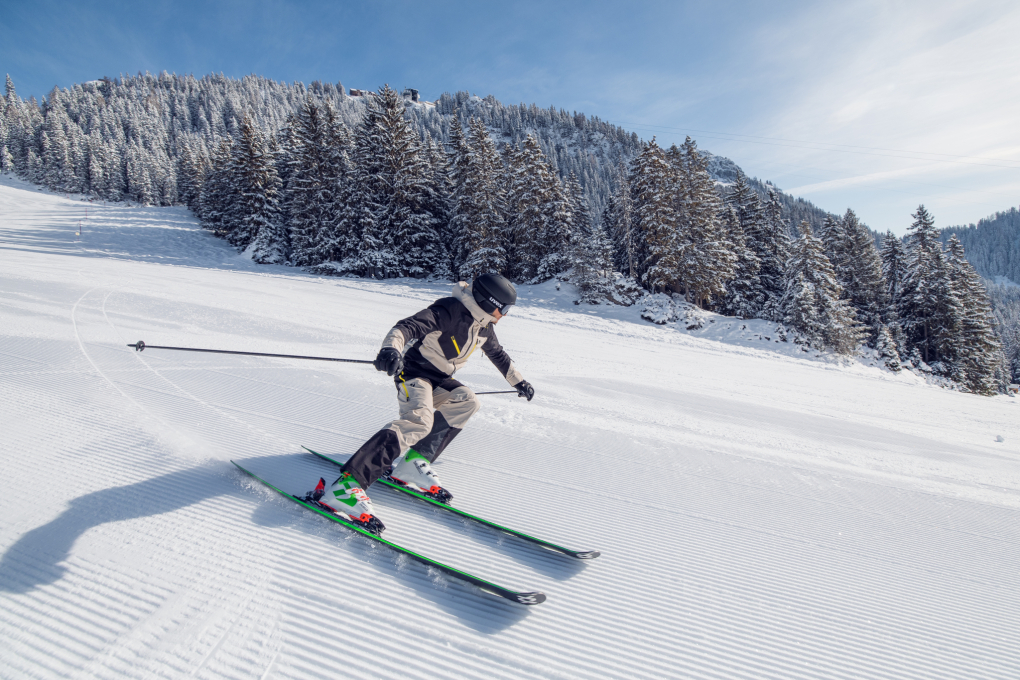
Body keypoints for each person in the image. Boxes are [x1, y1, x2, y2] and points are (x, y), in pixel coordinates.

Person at [314, 273, 534, 534]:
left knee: (467, 402)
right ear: (488, 302)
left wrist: (518, 381)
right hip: (414, 371)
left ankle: (412, 464)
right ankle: (346, 488)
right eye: (504, 308)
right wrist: (391, 350)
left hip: (439, 378)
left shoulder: (484, 326)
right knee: (418, 421)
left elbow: (498, 354)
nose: (505, 314)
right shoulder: (449, 310)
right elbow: (405, 327)